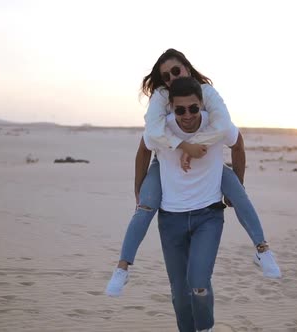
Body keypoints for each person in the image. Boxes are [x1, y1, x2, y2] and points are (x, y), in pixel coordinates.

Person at [105, 49, 280, 298]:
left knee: (239, 194)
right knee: (144, 207)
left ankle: (262, 249)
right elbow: (151, 137)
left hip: (207, 161)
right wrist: (182, 147)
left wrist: (199, 147)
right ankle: (123, 268)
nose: (172, 78)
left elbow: (223, 125)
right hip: (163, 161)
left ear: (187, 67)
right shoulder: (161, 96)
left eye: (177, 70)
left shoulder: (205, 93)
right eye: (166, 76)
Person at [147, 77, 238, 331]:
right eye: (180, 109)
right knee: (178, 291)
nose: (187, 115)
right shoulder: (161, 128)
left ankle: (205, 327)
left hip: (207, 214)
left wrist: (236, 185)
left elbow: (237, 142)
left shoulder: (215, 124)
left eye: (193, 108)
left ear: (201, 104)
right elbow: (144, 148)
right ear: (171, 107)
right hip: (170, 218)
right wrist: (140, 193)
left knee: (198, 281)